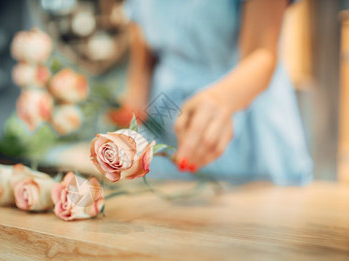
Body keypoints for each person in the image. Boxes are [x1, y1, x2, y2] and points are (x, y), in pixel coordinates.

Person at [111, 0, 313, 185]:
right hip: (164, 115)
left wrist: (219, 99)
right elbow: (142, 33)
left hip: (240, 105)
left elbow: (262, 54)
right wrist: (138, 92)